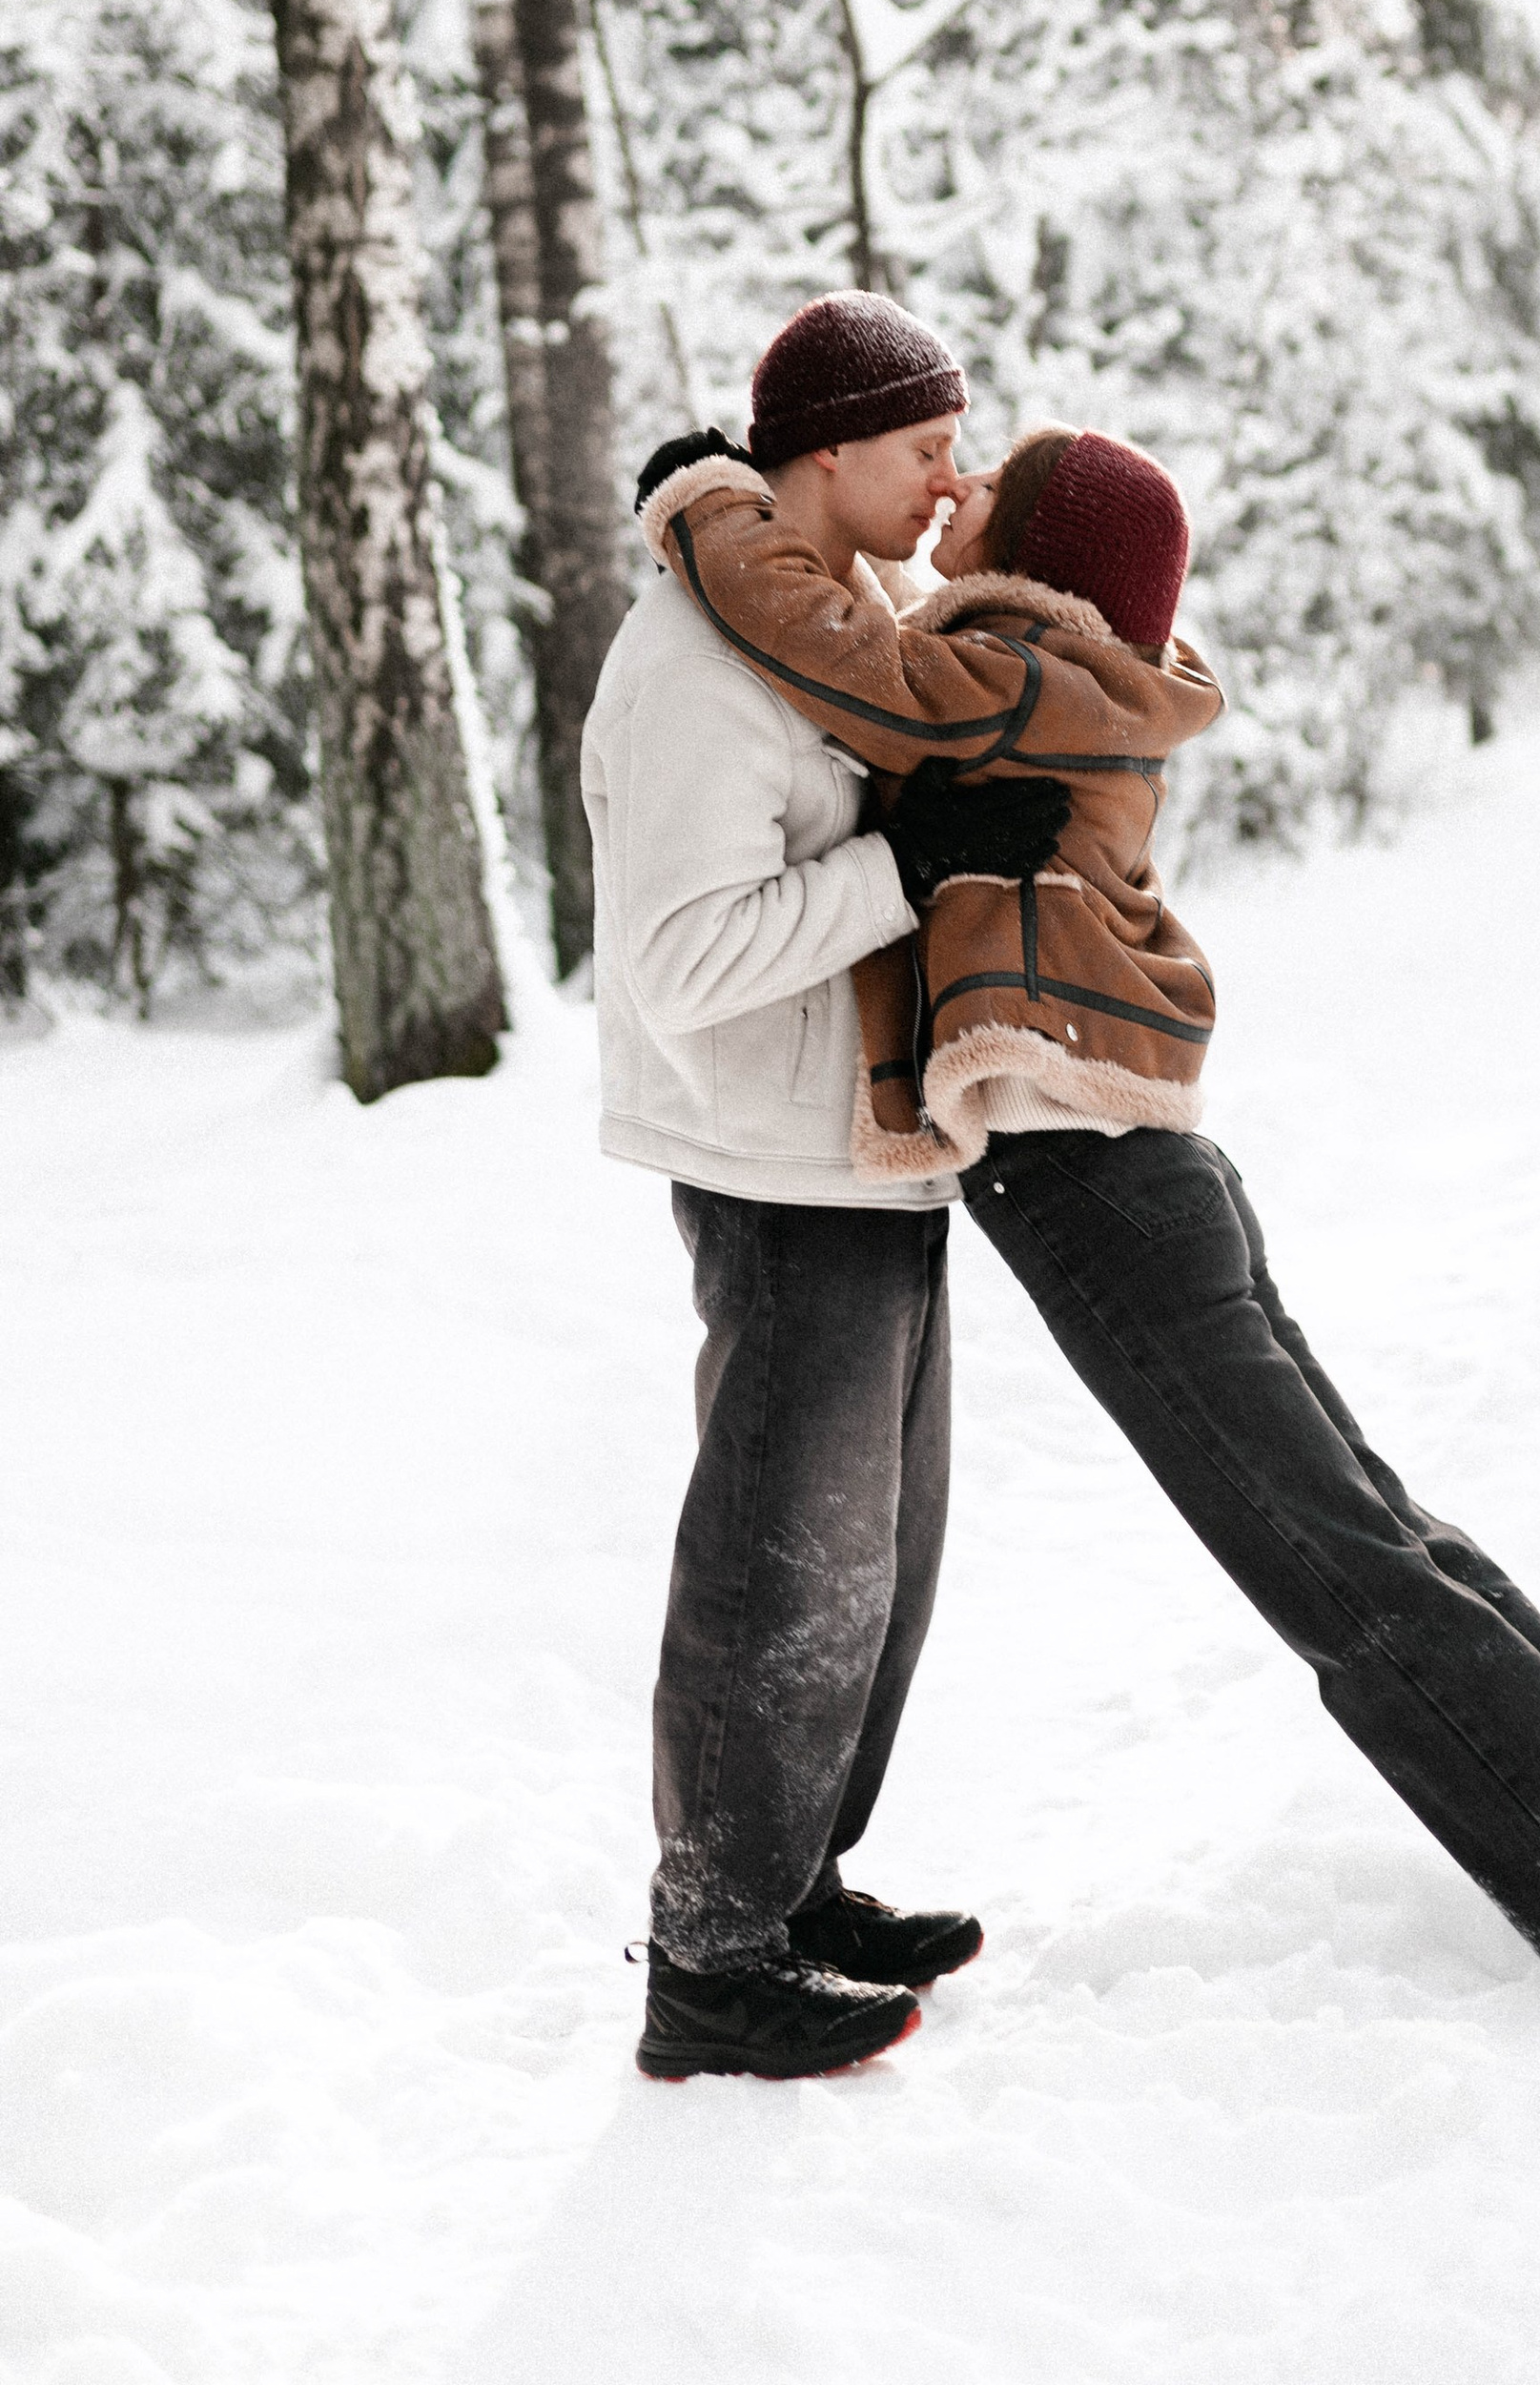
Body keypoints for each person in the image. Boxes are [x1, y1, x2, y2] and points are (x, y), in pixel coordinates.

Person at [637, 398, 1540, 1987]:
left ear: (1038, 566)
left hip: (1099, 1190)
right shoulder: (1074, 680)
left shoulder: (1007, 681)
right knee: (1375, 1533)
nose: (948, 501)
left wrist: (708, 505)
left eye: (984, 494)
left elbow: (839, 655)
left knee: (1334, 1566)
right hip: (1144, 1171)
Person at [583, 295, 1069, 2084]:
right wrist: (908, 866)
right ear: (829, 454)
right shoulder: (702, 664)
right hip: (772, 1163)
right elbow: (686, 960)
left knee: (879, 1558)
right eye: (927, 443)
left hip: (863, 1151)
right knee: (780, 1563)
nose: (954, 471)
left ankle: (794, 1886)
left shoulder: (827, 616)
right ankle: (711, 1956)